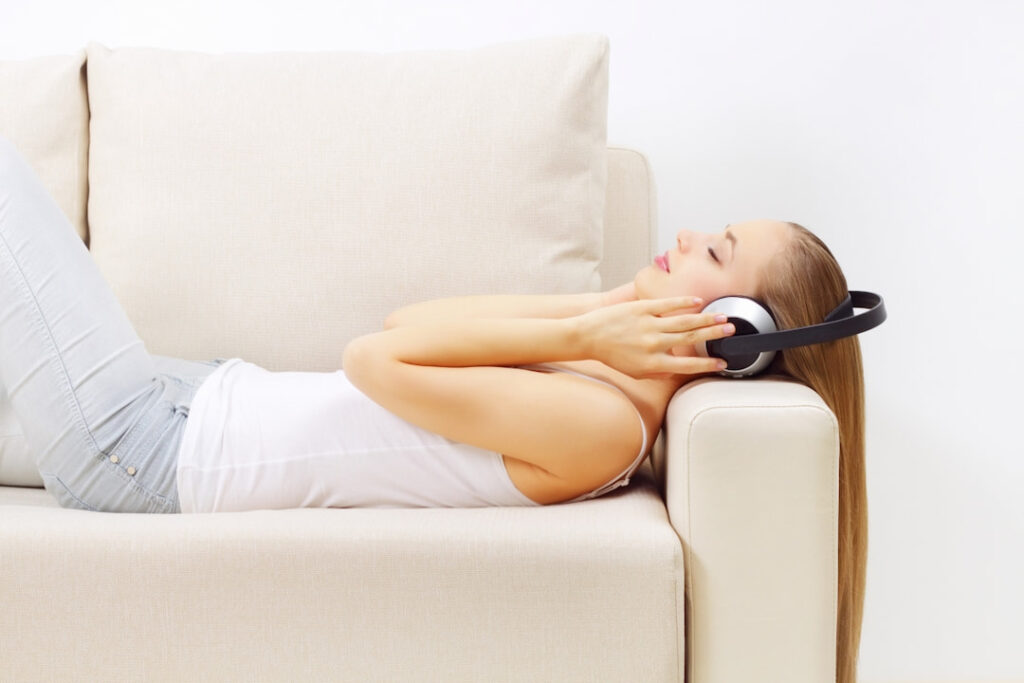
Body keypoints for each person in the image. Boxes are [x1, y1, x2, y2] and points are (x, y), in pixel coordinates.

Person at [0, 135, 865, 682]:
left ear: (740, 336)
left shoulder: (604, 428)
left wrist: (600, 334)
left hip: (144, 448)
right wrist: (598, 321)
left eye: (716, 250)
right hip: (187, 398)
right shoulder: (596, 375)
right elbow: (407, 325)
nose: (685, 237)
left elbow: (371, 360)